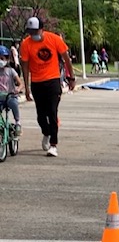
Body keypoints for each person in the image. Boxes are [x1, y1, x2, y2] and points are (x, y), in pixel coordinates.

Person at [20, 17, 75, 158]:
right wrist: (26, 87)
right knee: (41, 116)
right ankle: (46, 132)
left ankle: (53, 145)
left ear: (41, 29)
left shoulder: (54, 39)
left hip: (52, 81)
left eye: (35, 31)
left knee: (52, 112)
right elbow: (25, 66)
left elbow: (66, 58)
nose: (33, 35)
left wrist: (71, 78)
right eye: (30, 32)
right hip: (37, 83)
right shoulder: (26, 44)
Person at [0, 45, 23, 135]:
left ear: (7, 59)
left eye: (2, 58)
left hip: (10, 96)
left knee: (13, 103)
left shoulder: (11, 71)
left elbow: (20, 83)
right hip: (0, 98)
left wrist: (18, 89)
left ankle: (17, 122)